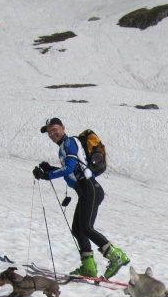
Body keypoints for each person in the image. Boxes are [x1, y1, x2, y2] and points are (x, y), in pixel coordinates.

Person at [33, 117, 130, 279]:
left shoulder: (69, 142)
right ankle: (88, 268)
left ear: (63, 128)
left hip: (90, 188)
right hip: (85, 190)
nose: (52, 133)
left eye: (54, 129)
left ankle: (116, 256)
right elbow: (71, 169)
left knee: (85, 227)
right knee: (77, 230)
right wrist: (50, 169)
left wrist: (47, 175)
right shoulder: (63, 147)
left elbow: (69, 168)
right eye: (49, 132)